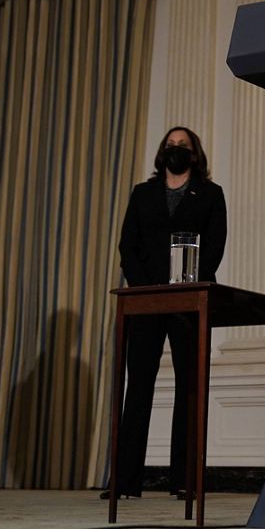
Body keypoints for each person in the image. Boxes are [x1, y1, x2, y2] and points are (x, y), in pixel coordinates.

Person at [107, 126, 227, 499]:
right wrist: (147, 287)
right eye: (170, 144)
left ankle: (184, 479)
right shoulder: (143, 194)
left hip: (191, 298)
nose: (175, 149)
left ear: (195, 155)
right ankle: (126, 482)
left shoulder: (210, 194)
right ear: (162, 152)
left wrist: (192, 283)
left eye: (183, 146)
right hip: (145, 298)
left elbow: (215, 245)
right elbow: (128, 245)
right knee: (138, 386)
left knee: (189, 387)